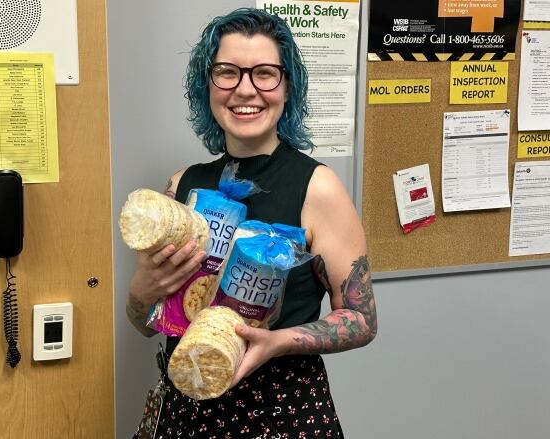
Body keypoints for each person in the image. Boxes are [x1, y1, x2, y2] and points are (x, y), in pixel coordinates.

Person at [127, 8, 377, 438]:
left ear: (287, 87)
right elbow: (147, 322)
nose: (246, 90)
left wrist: (277, 342)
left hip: (282, 412)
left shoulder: (317, 187)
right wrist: (140, 295)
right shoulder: (182, 186)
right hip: (188, 410)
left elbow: (361, 318)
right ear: (207, 85)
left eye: (264, 73)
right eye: (227, 72)